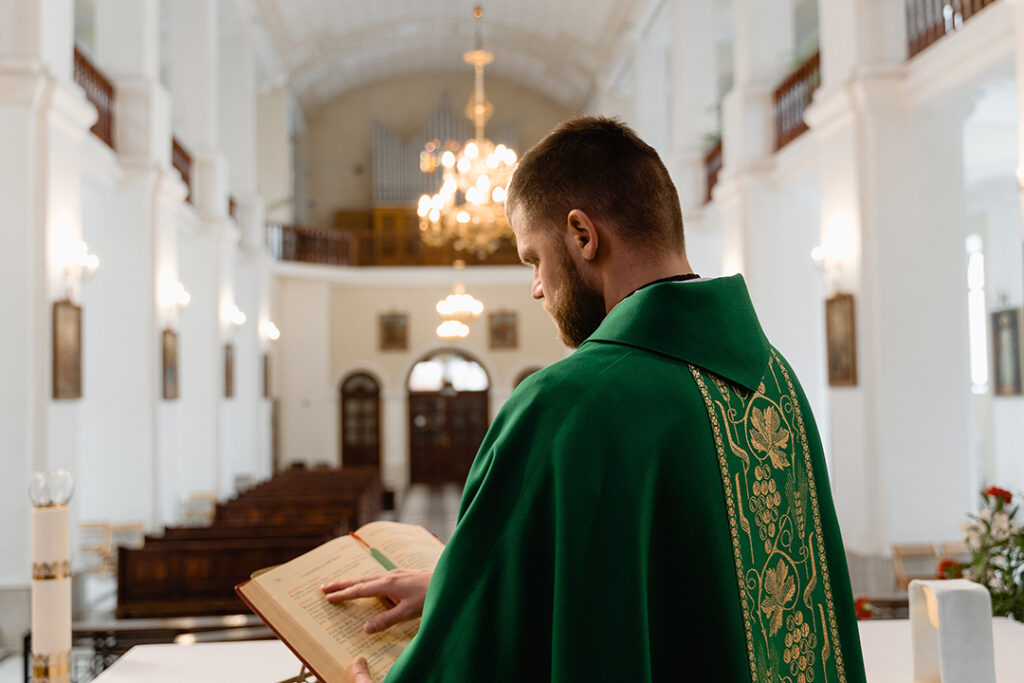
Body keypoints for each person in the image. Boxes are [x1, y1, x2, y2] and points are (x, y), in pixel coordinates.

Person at [323, 117, 867, 683]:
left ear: (583, 235)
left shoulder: (568, 404)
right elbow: (682, 589)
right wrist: (453, 586)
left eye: (533, 259)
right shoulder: (774, 381)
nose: (536, 287)